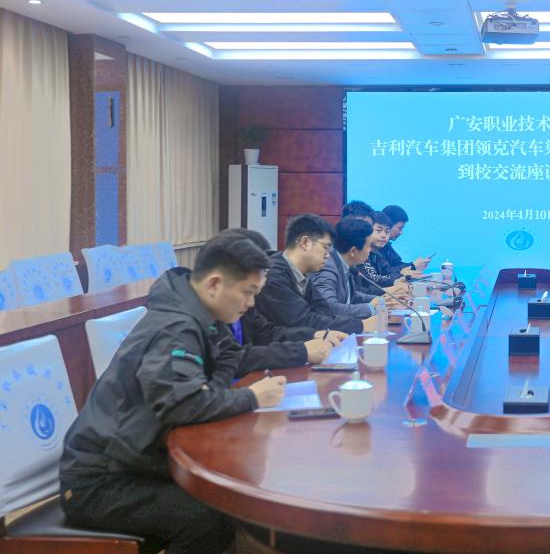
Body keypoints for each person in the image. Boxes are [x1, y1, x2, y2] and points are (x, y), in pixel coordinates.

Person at [59, 233, 288, 554]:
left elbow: (228, 356)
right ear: (214, 284)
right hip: (101, 480)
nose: (251, 304)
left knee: (231, 495)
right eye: (248, 293)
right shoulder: (175, 328)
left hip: (138, 461)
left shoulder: (200, 313)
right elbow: (183, 404)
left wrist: (213, 390)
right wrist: (252, 398)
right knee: (208, 518)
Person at [224, 228, 345, 374]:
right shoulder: (204, 318)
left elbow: (266, 333)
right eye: (248, 291)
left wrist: (313, 335)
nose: (251, 302)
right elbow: (233, 358)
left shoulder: (241, 301)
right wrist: (301, 351)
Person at [255, 213, 368, 334]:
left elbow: (325, 311)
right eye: (325, 247)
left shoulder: (302, 274)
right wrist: (361, 325)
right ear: (305, 242)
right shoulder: (273, 275)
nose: (328, 255)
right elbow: (303, 321)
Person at [311, 217, 398, 318]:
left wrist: (381, 300)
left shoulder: (344, 263)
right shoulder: (327, 269)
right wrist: (370, 307)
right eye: (368, 246)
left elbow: (352, 296)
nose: (370, 250)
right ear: (353, 251)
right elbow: (329, 308)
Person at [356, 211, 407, 296]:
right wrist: (399, 278)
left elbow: (388, 271)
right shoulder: (359, 253)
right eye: (378, 230)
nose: (384, 235)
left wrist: (402, 276)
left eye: (387, 231)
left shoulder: (377, 253)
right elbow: (373, 280)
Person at [380, 204, 430, 275]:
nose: (401, 233)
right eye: (400, 228)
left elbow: (396, 264)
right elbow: (385, 273)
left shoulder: (387, 245)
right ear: (388, 225)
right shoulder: (375, 247)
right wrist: (413, 266)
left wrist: (414, 266)